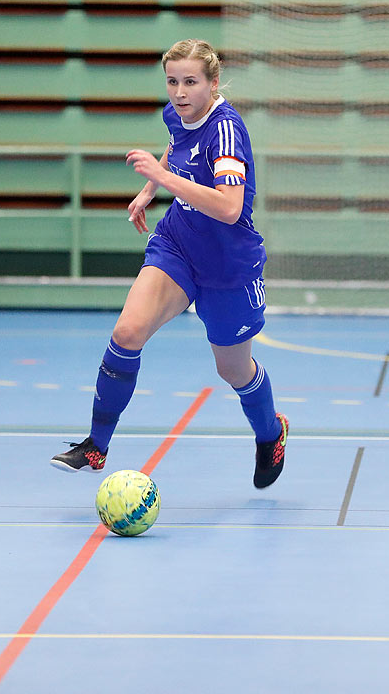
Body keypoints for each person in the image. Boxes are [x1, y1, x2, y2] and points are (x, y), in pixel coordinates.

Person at [51, 39, 288, 488]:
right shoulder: (178, 114)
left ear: (213, 83)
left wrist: (163, 178)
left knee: (233, 370)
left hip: (227, 266)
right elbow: (178, 146)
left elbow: (229, 207)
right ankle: (97, 445)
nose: (180, 92)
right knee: (126, 332)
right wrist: (150, 191)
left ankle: (270, 433)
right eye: (173, 81)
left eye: (191, 82)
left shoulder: (226, 131)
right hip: (178, 245)